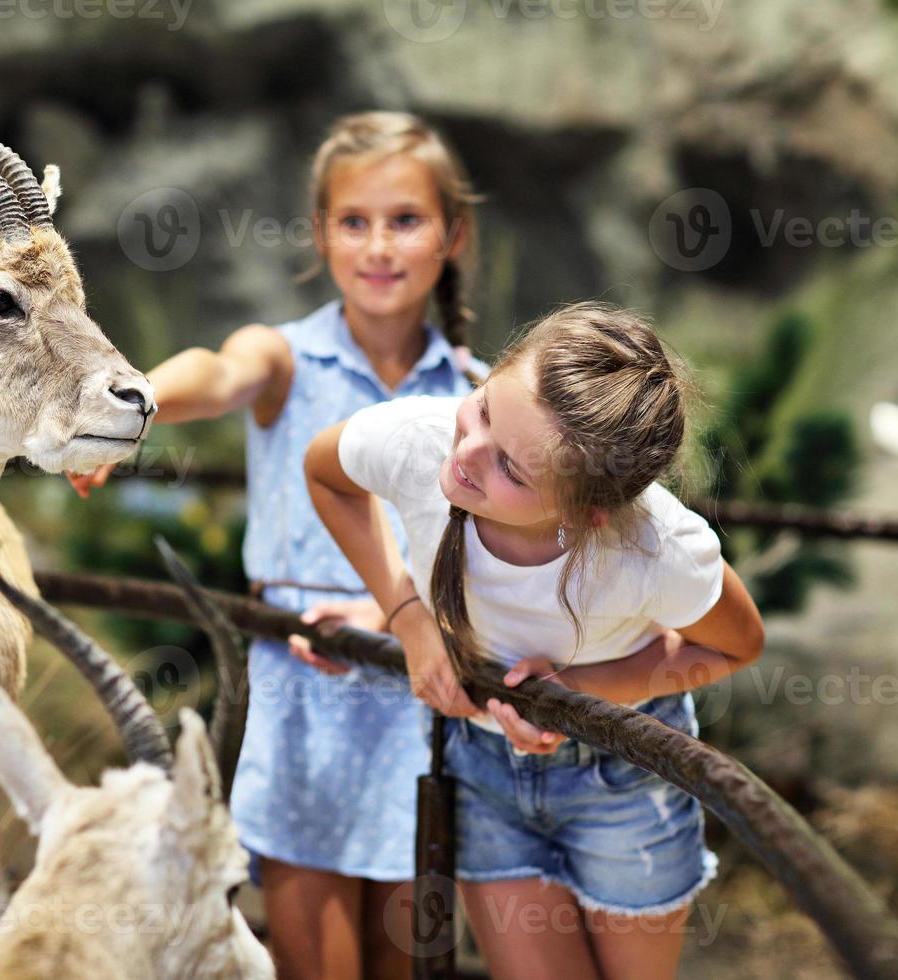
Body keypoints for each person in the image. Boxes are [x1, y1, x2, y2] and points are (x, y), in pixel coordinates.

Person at [67, 110, 487, 979]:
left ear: (453, 234)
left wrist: (389, 607)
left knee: (409, 956)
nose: (379, 246)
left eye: (405, 220)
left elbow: (483, 552)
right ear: (320, 234)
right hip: (306, 695)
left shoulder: (479, 395)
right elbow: (217, 374)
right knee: (315, 959)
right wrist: (136, 400)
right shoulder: (285, 359)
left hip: (422, 695)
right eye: (354, 222)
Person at [304, 301, 766, 979]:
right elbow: (326, 473)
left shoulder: (655, 551)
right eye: (485, 410)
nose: (465, 455)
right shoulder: (420, 438)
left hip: (625, 780)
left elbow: (734, 646)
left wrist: (583, 692)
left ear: (589, 514)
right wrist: (404, 617)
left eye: (513, 471)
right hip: (486, 771)